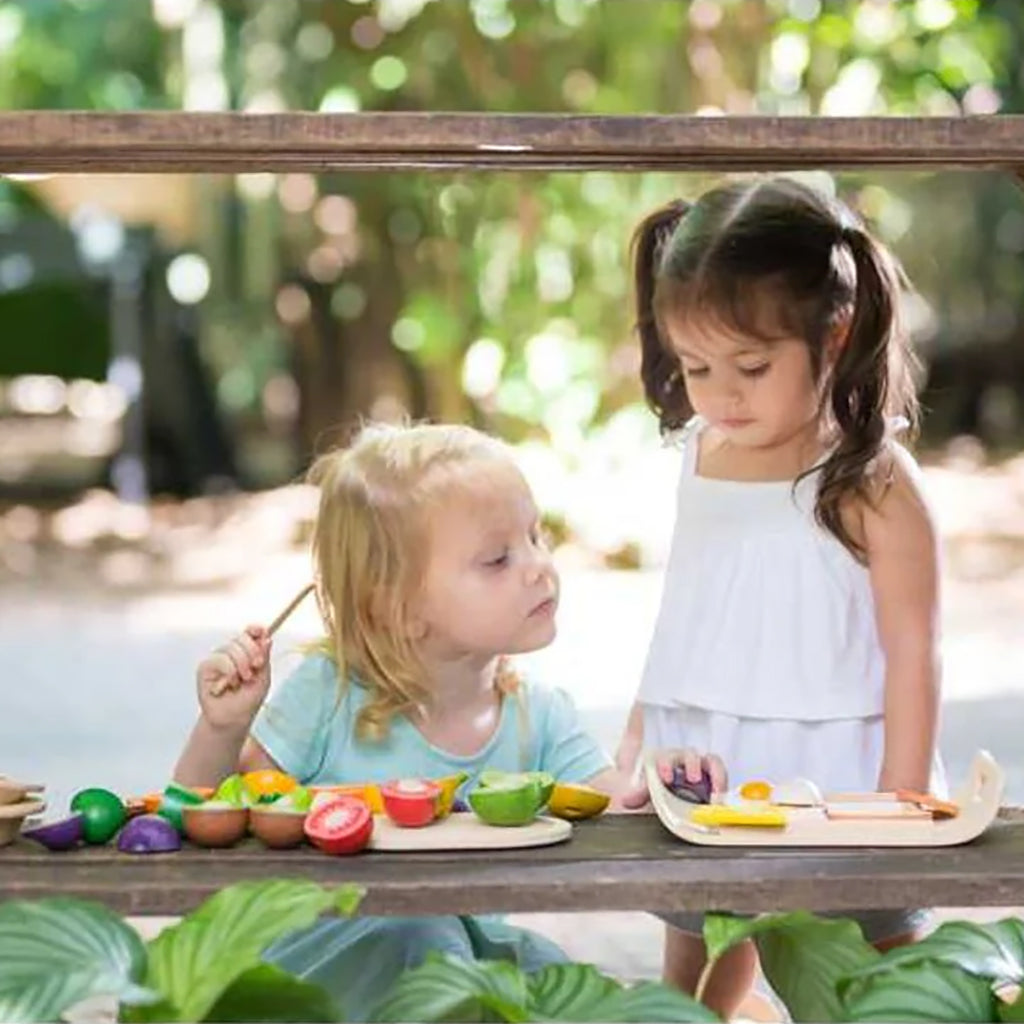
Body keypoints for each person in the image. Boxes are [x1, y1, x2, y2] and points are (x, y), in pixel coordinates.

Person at [173, 420, 648, 1022]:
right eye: (498, 558)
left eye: (536, 536)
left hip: (452, 956)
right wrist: (222, 728)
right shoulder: (328, 694)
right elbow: (206, 815)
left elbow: (623, 811)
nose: (537, 567)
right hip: (308, 964)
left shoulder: (538, 713)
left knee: (559, 980)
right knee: (426, 942)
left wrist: (670, 771)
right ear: (398, 606)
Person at [615, 177, 944, 1020]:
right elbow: (689, 607)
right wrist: (640, 735)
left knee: (873, 959)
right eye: (696, 367)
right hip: (710, 750)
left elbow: (913, 649)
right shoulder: (701, 455)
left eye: (753, 367)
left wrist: (902, 797)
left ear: (833, 336)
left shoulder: (869, 478)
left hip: (837, 760)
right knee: (699, 946)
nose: (722, 394)